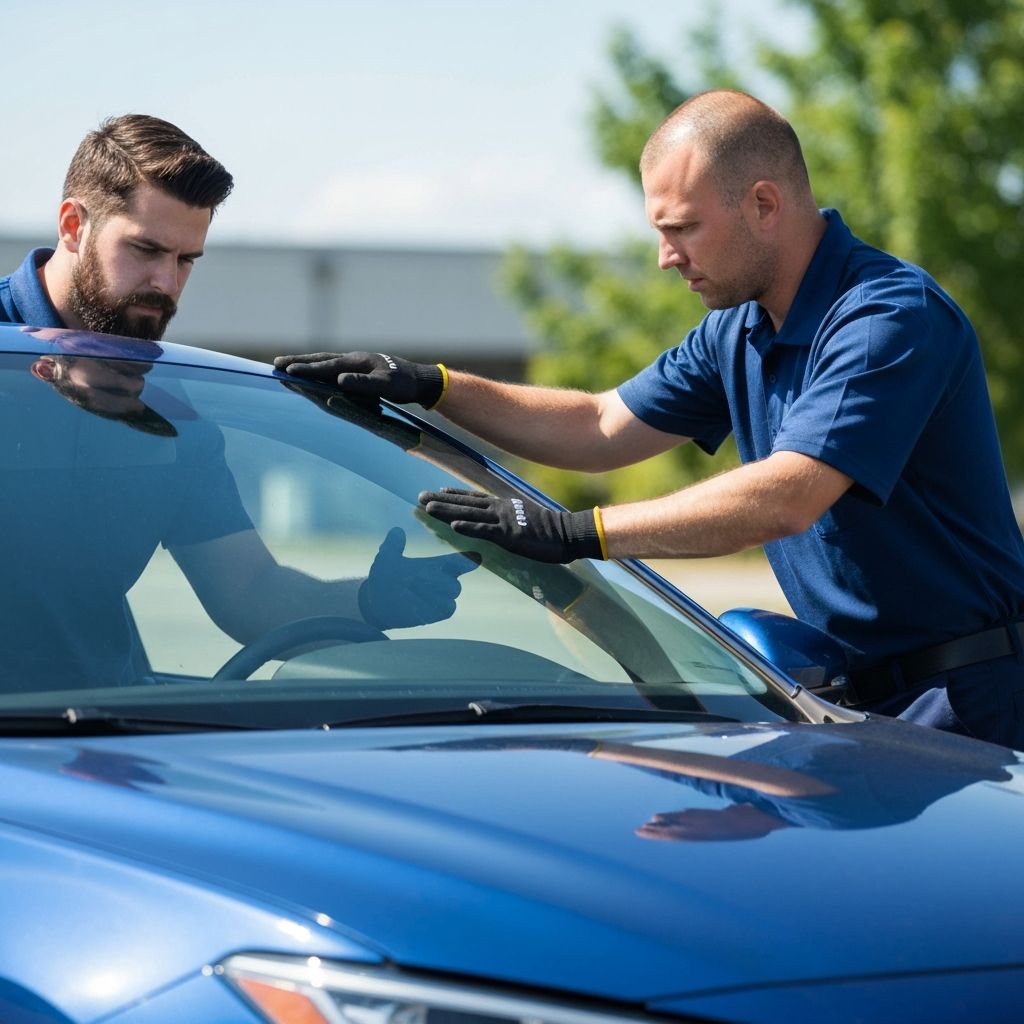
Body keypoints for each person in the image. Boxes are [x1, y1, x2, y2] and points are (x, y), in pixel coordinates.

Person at [275, 89, 1024, 748]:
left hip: (970, 701)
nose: (665, 257)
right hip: (859, 701)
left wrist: (576, 535)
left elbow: (789, 496)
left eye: (683, 228)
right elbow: (600, 425)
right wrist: (432, 385)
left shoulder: (885, 317)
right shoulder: (743, 326)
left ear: (764, 204)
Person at [0, 117, 476, 687]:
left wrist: (370, 602)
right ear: (74, 225)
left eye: (186, 260)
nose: (166, 284)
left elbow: (249, 591)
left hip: (107, 738)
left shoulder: (171, 408)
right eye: (146, 249)